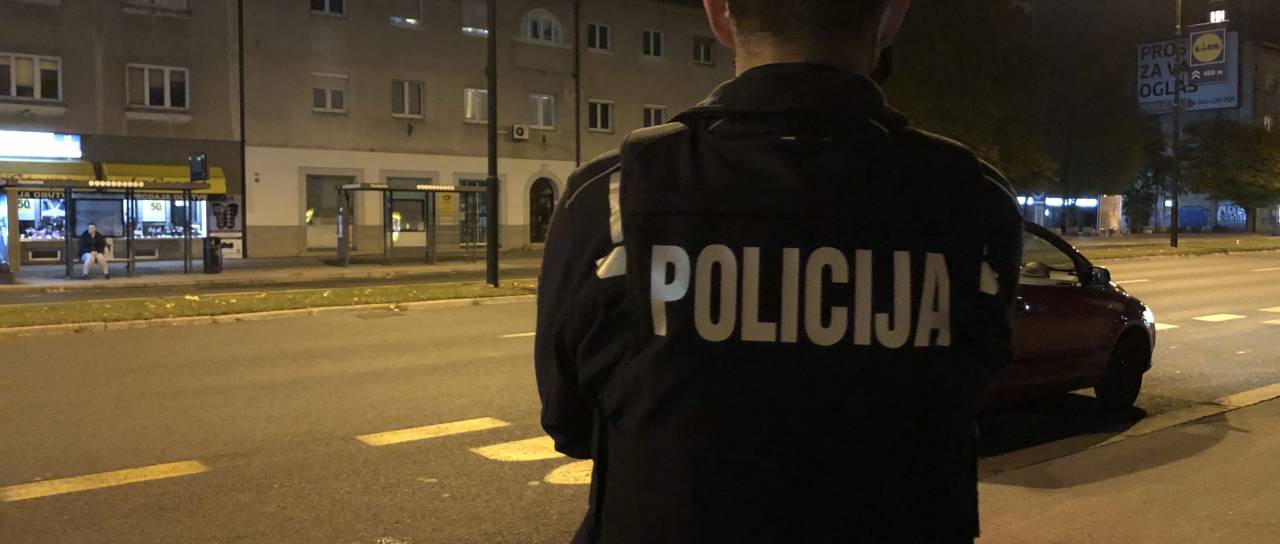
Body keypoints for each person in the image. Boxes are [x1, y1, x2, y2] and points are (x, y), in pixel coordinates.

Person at [535, 0, 1023, 541]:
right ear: (892, 16)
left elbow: (568, 421)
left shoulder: (611, 195)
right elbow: (969, 388)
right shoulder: (975, 198)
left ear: (718, 13)